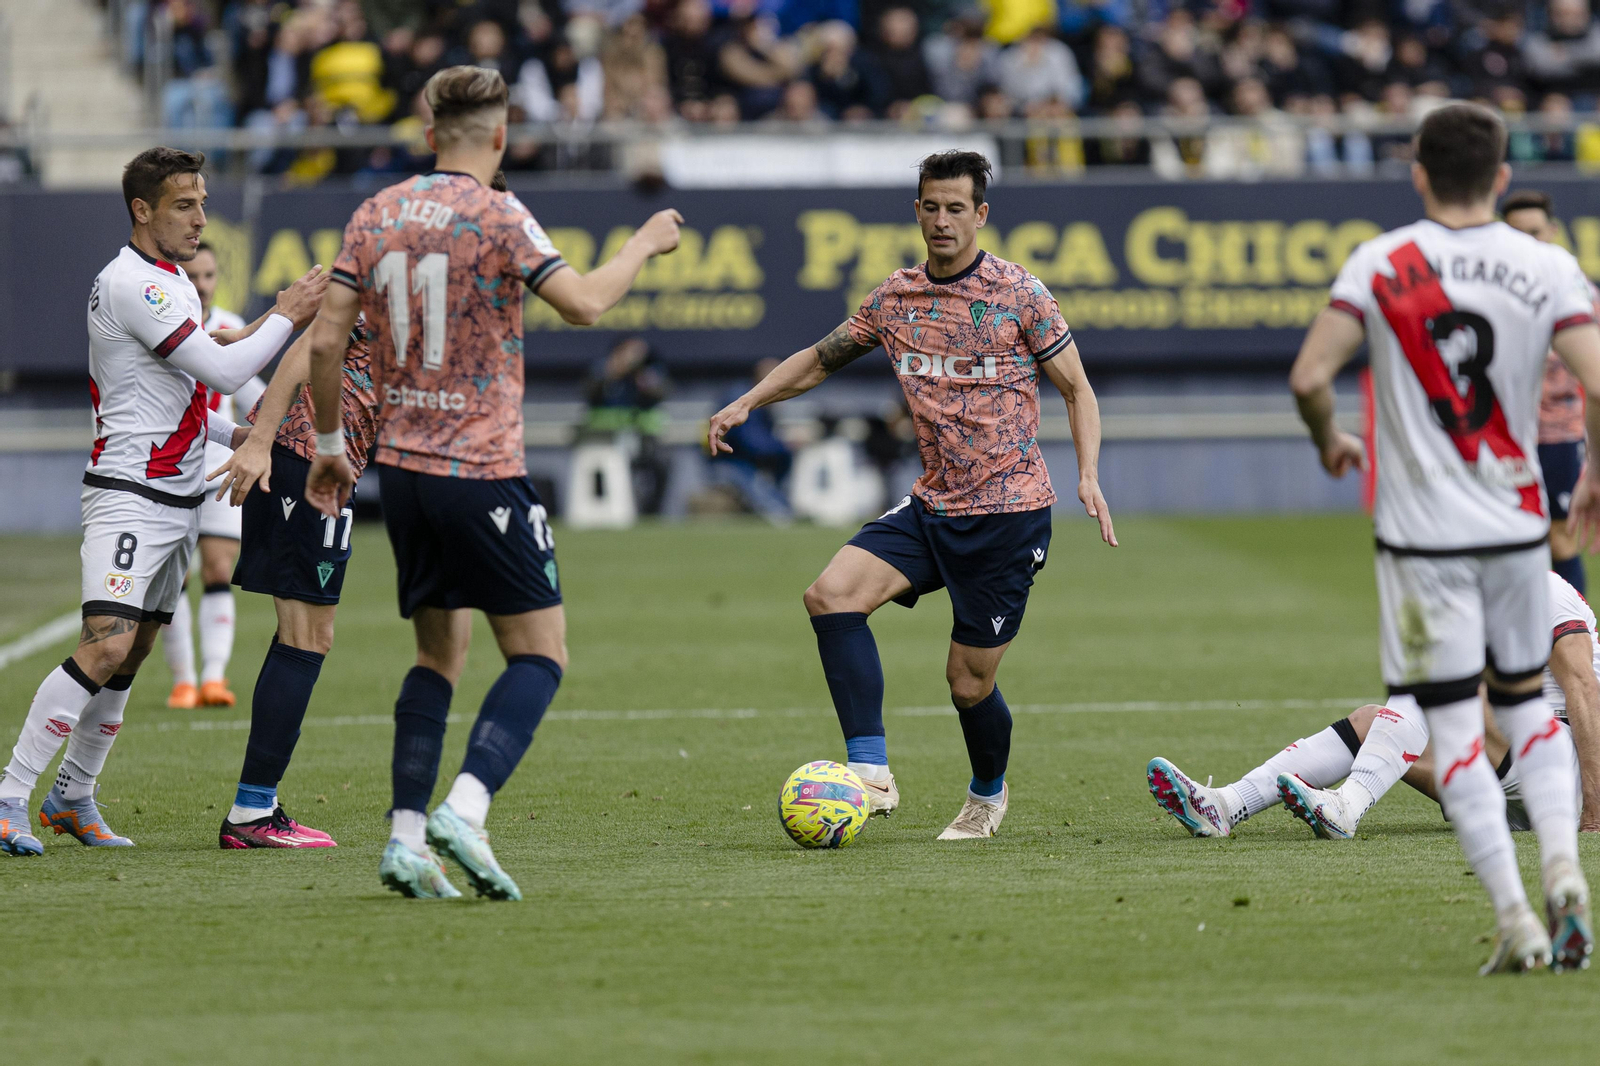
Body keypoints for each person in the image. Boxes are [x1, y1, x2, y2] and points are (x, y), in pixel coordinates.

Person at [299, 67, 682, 899]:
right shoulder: (499, 213)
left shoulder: (376, 212)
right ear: (501, 137)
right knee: (540, 655)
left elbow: (326, 346)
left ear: (429, 132)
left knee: (438, 654)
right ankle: (464, 809)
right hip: (481, 471)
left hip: (399, 471)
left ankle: (405, 837)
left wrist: (331, 443)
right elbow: (582, 305)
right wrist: (642, 245)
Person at [708, 150, 1116, 841]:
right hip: (934, 505)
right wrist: (748, 401)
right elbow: (819, 357)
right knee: (830, 595)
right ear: (917, 212)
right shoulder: (895, 299)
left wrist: (1087, 474)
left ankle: (988, 794)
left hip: (1008, 514)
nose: (943, 221)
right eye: (931, 207)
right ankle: (870, 771)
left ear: (980, 215)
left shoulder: (1020, 294)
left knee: (967, 685)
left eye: (957, 208)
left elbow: (1078, 389)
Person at [1285, 103, 1600, 973]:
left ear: (1418, 172)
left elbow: (1310, 374)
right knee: (1526, 705)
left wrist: (1328, 438)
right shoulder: (1546, 265)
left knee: (1455, 728)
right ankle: (1565, 874)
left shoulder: (1384, 262)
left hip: (1423, 540)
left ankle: (1517, 917)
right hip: (1515, 527)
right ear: (1501, 177)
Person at [0, 147, 325, 857]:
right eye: (184, 204)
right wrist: (287, 314)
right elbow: (222, 367)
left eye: (203, 202)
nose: (200, 218)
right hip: (128, 495)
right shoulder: (132, 284)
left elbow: (177, 398)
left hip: (176, 495)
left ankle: (74, 795)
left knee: (137, 649)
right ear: (141, 211)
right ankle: (8, 796)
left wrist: (239, 430)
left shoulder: (171, 279)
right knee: (106, 643)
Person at [1149, 571, 1600, 843]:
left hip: (1562, 768)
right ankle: (1226, 806)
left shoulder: (1542, 592)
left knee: (1442, 682)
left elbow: (1584, 690)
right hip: (1511, 776)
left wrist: (1594, 815)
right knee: (1372, 722)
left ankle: (1346, 807)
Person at [202, 315, 377, 849]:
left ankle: (259, 803)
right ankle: (252, 810)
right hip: (307, 464)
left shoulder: (397, 269)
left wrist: (250, 331)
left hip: (314, 463)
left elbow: (320, 299)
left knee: (301, 637)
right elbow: (311, 346)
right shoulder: (406, 274)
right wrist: (258, 440)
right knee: (307, 638)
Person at [161, 240, 266, 710]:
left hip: (221, 466)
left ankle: (213, 678)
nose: (202, 286)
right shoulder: (160, 324)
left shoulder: (230, 328)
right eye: (193, 276)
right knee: (175, 578)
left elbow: (253, 391)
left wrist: (278, 424)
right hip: (168, 468)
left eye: (209, 276)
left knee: (220, 569)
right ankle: (182, 679)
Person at [1500, 190, 1596, 596]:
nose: (1528, 243)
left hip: (1558, 435)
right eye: (1517, 234)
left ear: (1553, 231)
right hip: (1501, 439)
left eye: (1536, 232)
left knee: (1561, 539)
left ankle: (1574, 640)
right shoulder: (1490, 295)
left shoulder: (1580, 294)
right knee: (1505, 547)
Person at [707, 357, 794, 521]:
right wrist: (784, 447)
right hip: (728, 462)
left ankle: (784, 508)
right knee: (766, 499)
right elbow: (751, 442)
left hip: (747, 462)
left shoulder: (765, 399)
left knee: (778, 468)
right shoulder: (741, 398)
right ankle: (779, 513)